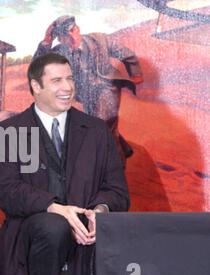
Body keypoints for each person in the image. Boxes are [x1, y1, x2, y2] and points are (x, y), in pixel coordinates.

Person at [0, 53, 130, 275]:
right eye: (57, 81)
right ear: (36, 86)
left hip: (89, 233)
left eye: (70, 79)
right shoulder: (8, 131)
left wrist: (100, 211)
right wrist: (55, 208)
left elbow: (117, 191)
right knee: (53, 226)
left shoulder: (97, 130)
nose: (68, 87)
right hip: (31, 230)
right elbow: (8, 192)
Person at [34, 15, 144, 165]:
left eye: (72, 31)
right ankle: (120, 153)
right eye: (65, 36)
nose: (71, 37)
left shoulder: (99, 40)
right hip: (86, 95)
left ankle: (113, 167)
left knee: (98, 124)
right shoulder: (59, 52)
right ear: (59, 39)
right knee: (106, 129)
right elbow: (36, 68)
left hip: (107, 88)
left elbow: (126, 53)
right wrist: (46, 41)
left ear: (77, 29)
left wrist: (135, 73)